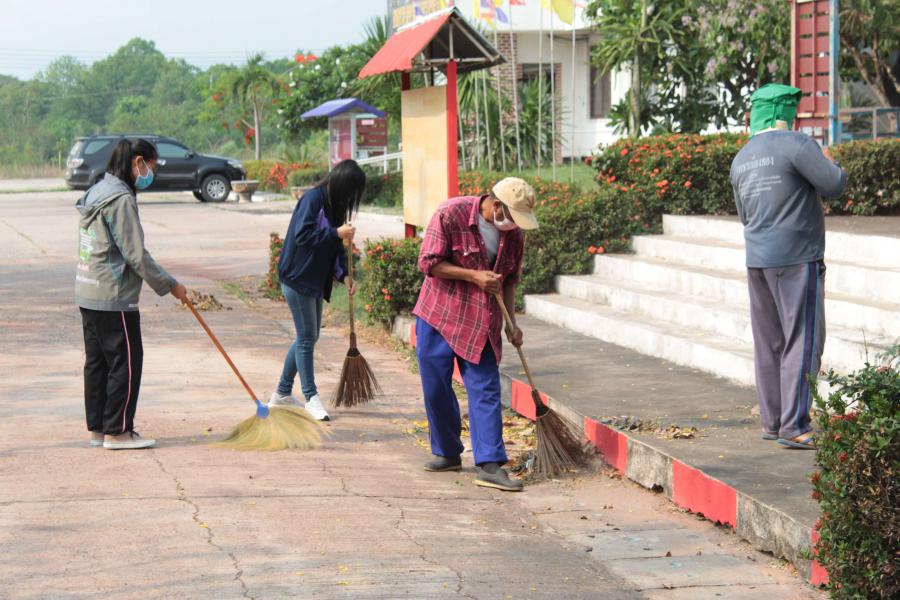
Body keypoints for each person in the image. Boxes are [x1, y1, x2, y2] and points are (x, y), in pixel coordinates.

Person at [730, 83, 847, 450]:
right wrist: (830, 161)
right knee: (803, 340)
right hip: (797, 258)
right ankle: (795, 425)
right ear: (786, 114)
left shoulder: (741, 158)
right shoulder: (796, 144)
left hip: (757, 260)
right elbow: (834, 184)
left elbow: (744, 214)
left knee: (769, 343)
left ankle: (773, 421)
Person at [413, 177, 539, 492]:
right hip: (439, 314)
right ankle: (447, 453)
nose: (514, 225)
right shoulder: (451, 213)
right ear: (496, 205)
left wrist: (512, 323)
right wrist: (473, 276)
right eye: (512, 216)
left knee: (485, 389)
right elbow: (428, 263)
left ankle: (490, 464)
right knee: (436, 389)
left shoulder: (514, 236)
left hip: (482, 320)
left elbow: (509, 280)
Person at [75, 138, 188, 450]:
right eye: (150, 167)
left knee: (98, 363)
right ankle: (118, 431)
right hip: (113, 296)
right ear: (137, 162)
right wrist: (170, 285)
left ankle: (100, 429)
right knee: (126, 362)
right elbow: (136, 254)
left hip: (87, 289)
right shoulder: (121, 199)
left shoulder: (97, 190)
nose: (151, 174)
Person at [269, 159, 363, 421]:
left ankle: (282, 392)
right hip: (297, 276)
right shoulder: (314, 199)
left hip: (314, 280)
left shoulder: (335, 205)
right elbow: (303, 236)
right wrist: (336, 233)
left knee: (308, 337)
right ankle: (311, 397)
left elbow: (335, 247)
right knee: (307, 338)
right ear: (343, 185)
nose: (353, 198)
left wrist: (344, 275)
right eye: (352, 191)